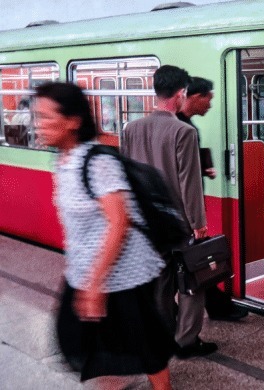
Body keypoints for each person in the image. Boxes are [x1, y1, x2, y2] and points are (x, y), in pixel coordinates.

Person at [35, 82, 174, 389]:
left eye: (45, 117)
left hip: (124, 271)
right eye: (37, 117)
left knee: (144, 341)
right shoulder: (64, 160)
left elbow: (119, 223)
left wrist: (96, 282)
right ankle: (116, 381)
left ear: (73, 121)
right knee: (85, 339)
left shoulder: (98, 162)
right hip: (87, 269)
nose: (38, 125)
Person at [121, 65, 218, 359]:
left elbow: (127, 177)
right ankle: (186, 341)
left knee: (160, 282)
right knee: (193, 284)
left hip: (147, 224)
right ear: (181, 94)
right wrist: (198, 225)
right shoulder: (183, 131)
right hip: (178, 224)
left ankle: (162, 334)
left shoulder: (131, 129)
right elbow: (189, 183)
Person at [177, 76, 248, 321]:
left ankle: (217, 306)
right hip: (183, 208)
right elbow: (180, 173)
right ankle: (214, 308)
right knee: (192, 260)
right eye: (208, 99)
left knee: (190, 260)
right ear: (196, 97)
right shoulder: (181, 126)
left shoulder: (185, 124)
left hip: (183, 206)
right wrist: (196, 219)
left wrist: (201, 167)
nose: (209, 105)